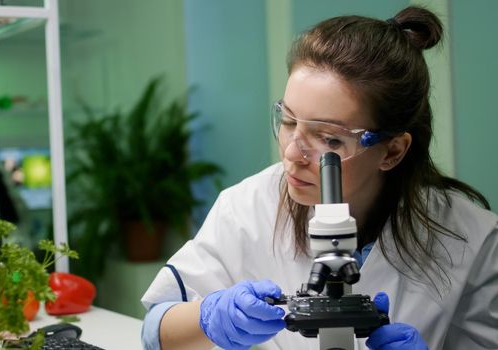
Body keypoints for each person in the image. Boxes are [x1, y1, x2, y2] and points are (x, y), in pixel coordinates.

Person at [141, 6, 498, 350]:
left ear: (391, 151)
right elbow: (156, 330)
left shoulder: (474, 239)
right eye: (289, 122)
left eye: (329, 139)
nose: (293, 154)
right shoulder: (249, 206)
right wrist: (209, 319)